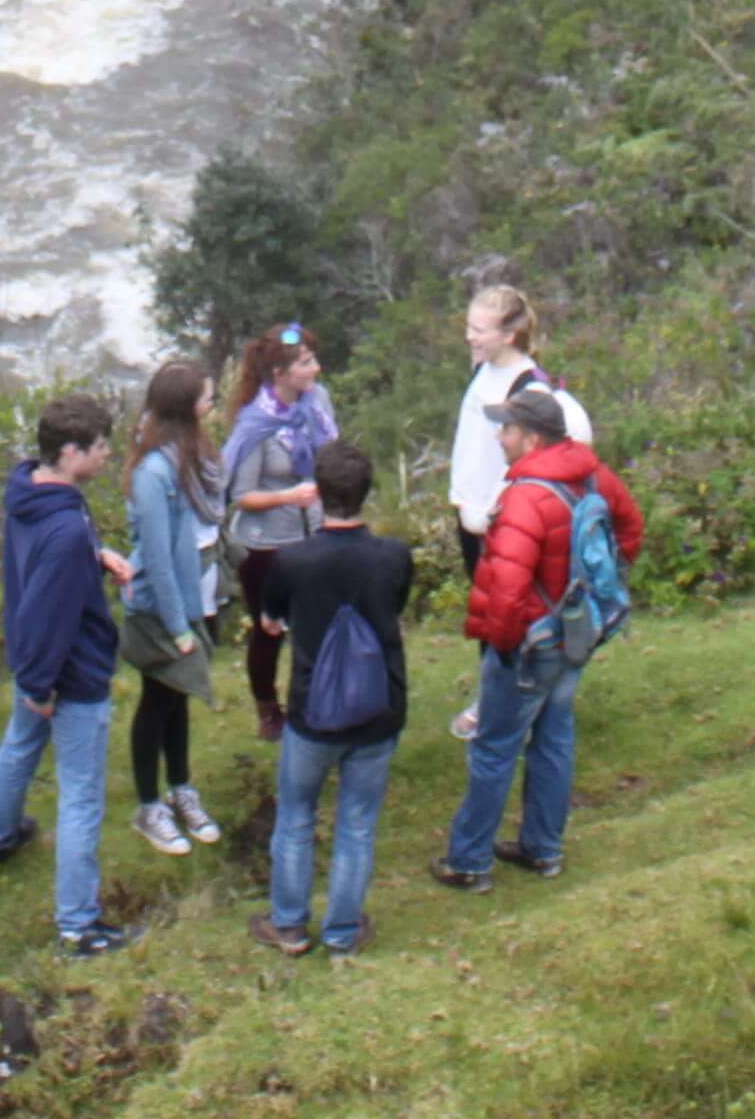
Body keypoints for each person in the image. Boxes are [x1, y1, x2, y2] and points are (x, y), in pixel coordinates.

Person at [432, 389, 642, 893]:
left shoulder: (526, 495)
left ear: (531, 436)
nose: (499, 438)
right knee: (553, 737)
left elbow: (506, 586)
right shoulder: (594, 475)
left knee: (494, 747)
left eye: (506, 429)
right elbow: (630, 527)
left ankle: (469, 861)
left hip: (530, 643)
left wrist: (501, 646)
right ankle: (542, 849)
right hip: (576, 633)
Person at [0, 393, 137, 956]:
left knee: (17, 748)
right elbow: (50, 606)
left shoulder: (31, 490)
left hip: (31, 663)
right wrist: (42, 686)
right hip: (68, 675)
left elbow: (47, 561)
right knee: (82, 797)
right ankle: (78, 925)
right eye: (100, 447)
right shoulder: (66, 527)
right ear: (71, 452)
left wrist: (98, 553)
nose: (108, 455)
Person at [254, 442, 416, 958]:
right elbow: (394, 605)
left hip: (312, 714)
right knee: (357, 822)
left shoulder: (292, 560)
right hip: (378, 710)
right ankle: (343, 932)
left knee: (297, 815)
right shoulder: (394, 557)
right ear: (367, 493)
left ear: (318, 495)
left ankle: (290, 927)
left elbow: (271, 620)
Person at [443, 285, 589, 741]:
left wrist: (501, 508)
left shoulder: (529, 388)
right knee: (492, 617)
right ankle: (499, 699)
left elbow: (552, 453)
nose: (470, 337)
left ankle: (511, 708)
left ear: (510, 334)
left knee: (515, 618)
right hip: (472, 516)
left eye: (480, 330)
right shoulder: (483, 373)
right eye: (468, 327)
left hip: (504, 523)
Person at [120, 362, 227, 854]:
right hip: (161, 610)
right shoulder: (153, 471)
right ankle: (149, 806)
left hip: (186, 601)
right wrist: (178, 626)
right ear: (185, 407)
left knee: (177, 697)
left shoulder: (183, 453)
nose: (213, 402)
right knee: (158, 700)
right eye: (207, 397)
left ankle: (180, 789)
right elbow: (158, 558)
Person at [213, 326, 339, 739]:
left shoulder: (316, 402)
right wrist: (288, 495)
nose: (316, 369)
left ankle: (315, 702)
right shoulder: (255, 424)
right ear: (279, 373)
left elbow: (330, 453)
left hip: (316, 533)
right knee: (269, 630)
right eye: (305, 363)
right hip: (265, 546)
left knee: (318, 622)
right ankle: (268, 708)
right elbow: (242, 495)